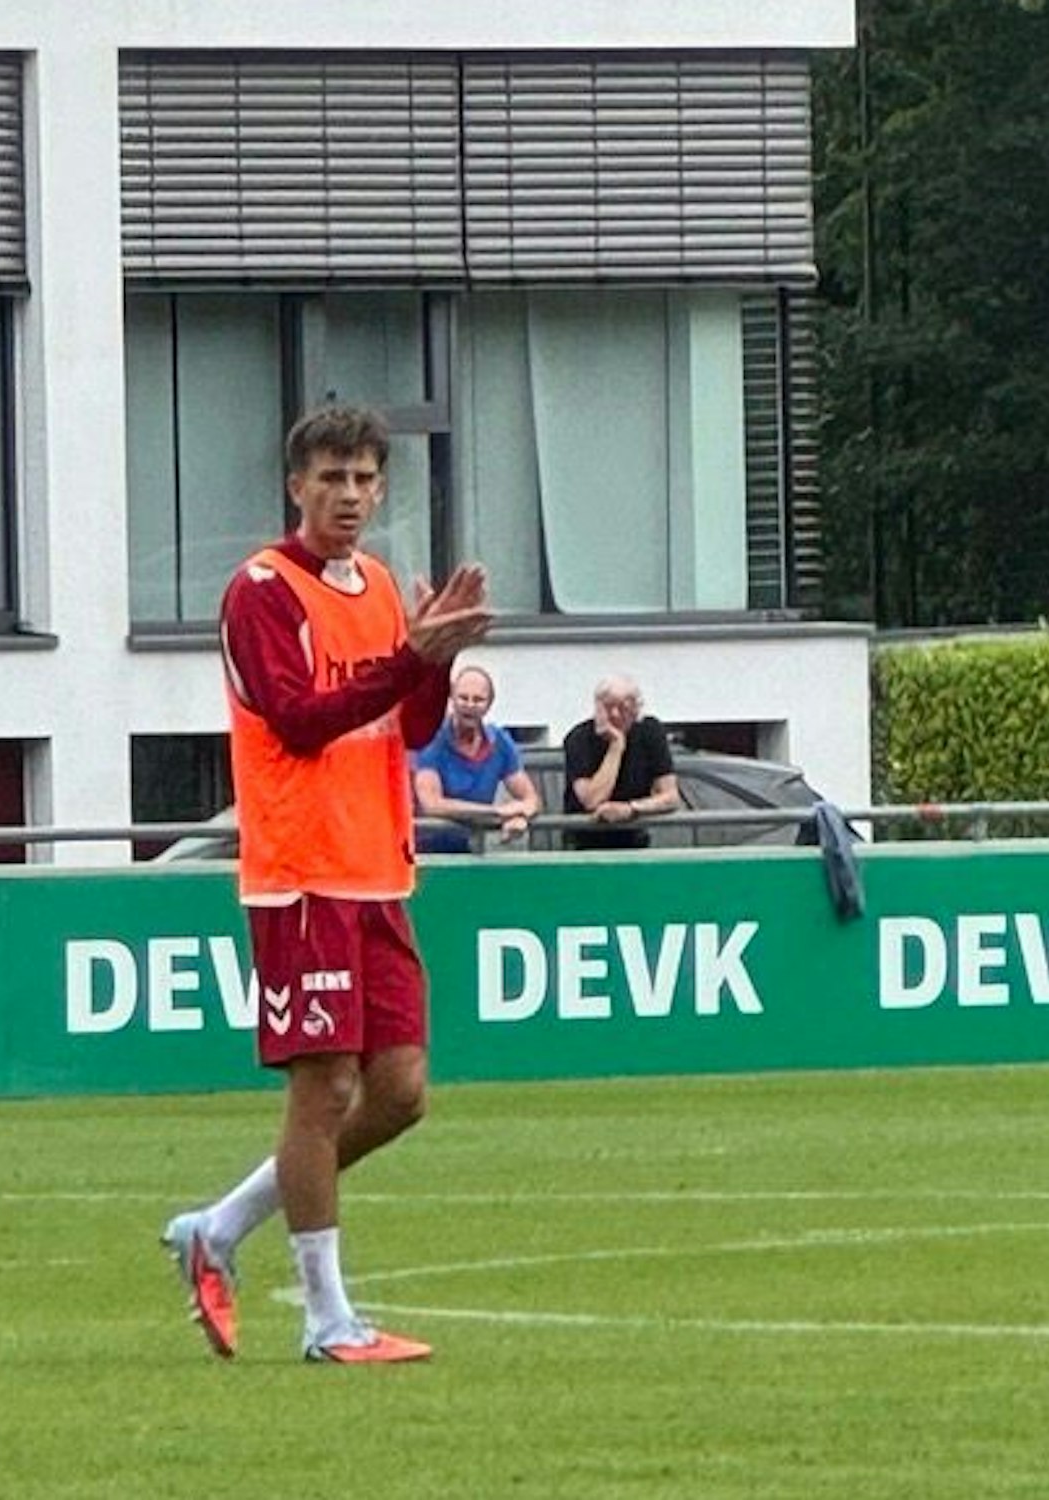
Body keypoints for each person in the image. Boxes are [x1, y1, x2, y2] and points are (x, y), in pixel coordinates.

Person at [160, 404, 492, 1366]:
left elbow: (415, 724)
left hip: (376, 868)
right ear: (295, 486)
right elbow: (301, 720)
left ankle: (219, 1226)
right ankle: (324, 1317)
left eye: (363, 479)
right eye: (331, 478)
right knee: (325, 1087)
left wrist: (438, 653)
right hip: (303, 871)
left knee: (401, 1091)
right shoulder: (261, 592)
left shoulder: (380, 585)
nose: (349, 496)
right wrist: (408, 660)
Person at [410, 664, 540, 853]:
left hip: (470, 849)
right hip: (424, 851)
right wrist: (497, 812)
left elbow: (531, 798)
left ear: (489, 704)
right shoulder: (431, 737)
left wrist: (521, 816)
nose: (470, 705)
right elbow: (432, 804)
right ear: (451, 698)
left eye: (478, 700)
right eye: (463, 698)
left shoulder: (501, 742)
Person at [560, 674, 680, 851]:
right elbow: (593, 800)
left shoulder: (650, 732)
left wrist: (631, 809)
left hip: (634, 841)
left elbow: (671, 797)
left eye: (623, 708)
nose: (615, 715)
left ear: (637, 709)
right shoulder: (578, 738)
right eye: (608, 707)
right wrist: (616, 747)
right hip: (584, 845)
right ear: (597, 707)